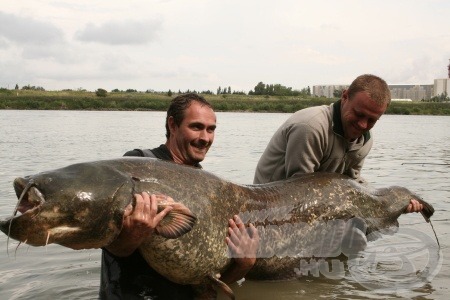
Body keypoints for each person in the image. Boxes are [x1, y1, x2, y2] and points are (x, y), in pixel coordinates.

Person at [100, 93, 259, 299]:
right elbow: (113, 248)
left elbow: (206, 286)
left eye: (211, 129)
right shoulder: (138, 165)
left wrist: (245, 265)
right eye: (196, 127)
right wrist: (134, 234)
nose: (205, 138)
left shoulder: (206, 185)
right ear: (173, 125)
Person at [253, 74, 423, 213]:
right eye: (358, 114)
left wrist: (393, 203)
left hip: (319, 199)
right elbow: (299, 190)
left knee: (358, 234)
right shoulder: (310, 127)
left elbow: (352, 182)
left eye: (372, 120)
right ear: (344, 96)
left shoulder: (365, 140)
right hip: (267, 204)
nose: (363, 125)